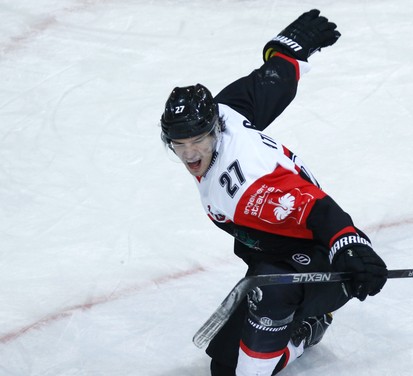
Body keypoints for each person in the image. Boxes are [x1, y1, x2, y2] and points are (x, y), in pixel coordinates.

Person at [159, 9, 388, 376]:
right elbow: (270, 84)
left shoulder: (248, 187)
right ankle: (302, 331)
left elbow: (317, 210)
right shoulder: (225, 112)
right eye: (179, 143)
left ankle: (307, 319)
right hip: (276, 246)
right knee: (222, 363)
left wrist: (351, 246)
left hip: (317, 263)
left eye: (198, 141)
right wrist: (286, 52)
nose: (189, 154)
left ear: (213, 130)